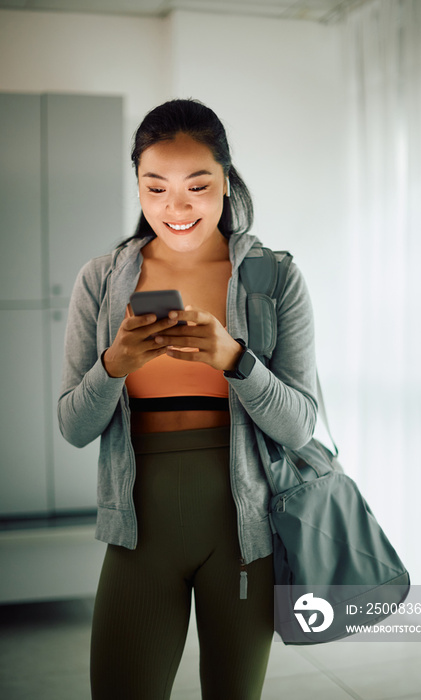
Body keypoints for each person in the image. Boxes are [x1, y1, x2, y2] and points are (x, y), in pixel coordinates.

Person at [57, 98, 318, 699]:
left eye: (197, 186)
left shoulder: (274, 278)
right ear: (138, 188)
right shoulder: (101, 280)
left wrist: (234, 359)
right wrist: (115, 364)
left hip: (244, 535)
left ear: (226, 182)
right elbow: (73, 427)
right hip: (137, 534)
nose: (175, 207)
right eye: (155, 188)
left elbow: (301, 425)